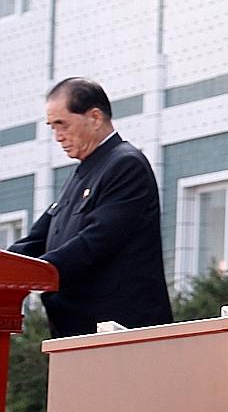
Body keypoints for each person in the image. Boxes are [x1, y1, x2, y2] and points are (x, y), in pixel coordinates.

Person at [9, 78, 173, 338]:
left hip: (118, 333)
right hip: (77, 331)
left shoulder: (126, 165)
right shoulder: (82, 173)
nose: (57, 137)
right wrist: (8, 266)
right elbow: (38, 238)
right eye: (52, 127)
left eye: (62, 125)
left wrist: (42, 272)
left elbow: (94, 242)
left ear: (95, 118)